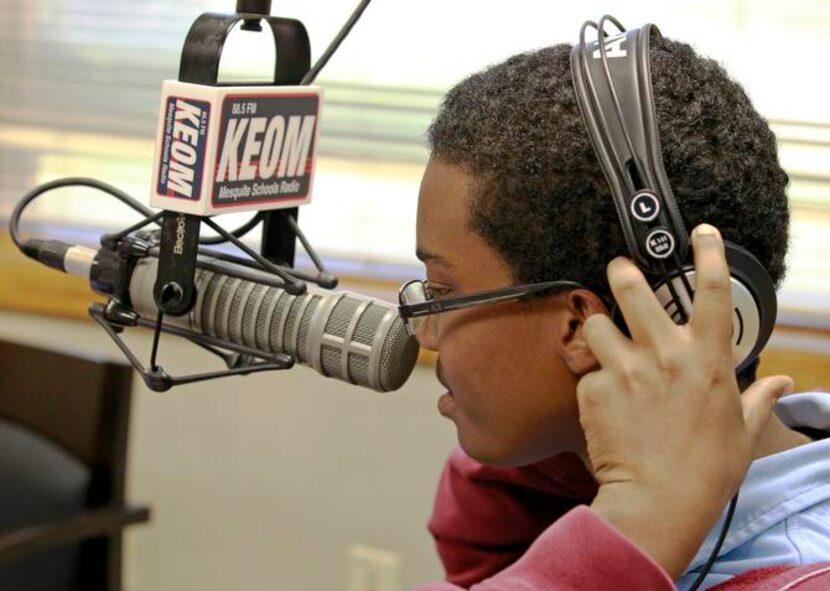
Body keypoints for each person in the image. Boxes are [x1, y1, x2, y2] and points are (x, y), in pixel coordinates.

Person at [403, 32, 830, 590]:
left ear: (583, 325)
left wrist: (638, 519)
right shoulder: (577, 484)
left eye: (441, 293)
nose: (426, 334)